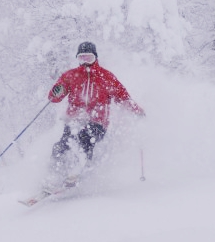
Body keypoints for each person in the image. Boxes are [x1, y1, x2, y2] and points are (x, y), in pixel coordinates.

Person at [45, 41, 145, 186]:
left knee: (85, 138)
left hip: (97, 122)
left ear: (96, 57)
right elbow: (54, 97)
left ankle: (77, 172)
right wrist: (56, 92)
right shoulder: (70, 76)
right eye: (82, 58)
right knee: (61, 145)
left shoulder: (106, 77)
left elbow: (122, 97)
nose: (85, 62)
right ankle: (53, 176)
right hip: (74, 120)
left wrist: (136, 110)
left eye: (89, 58)